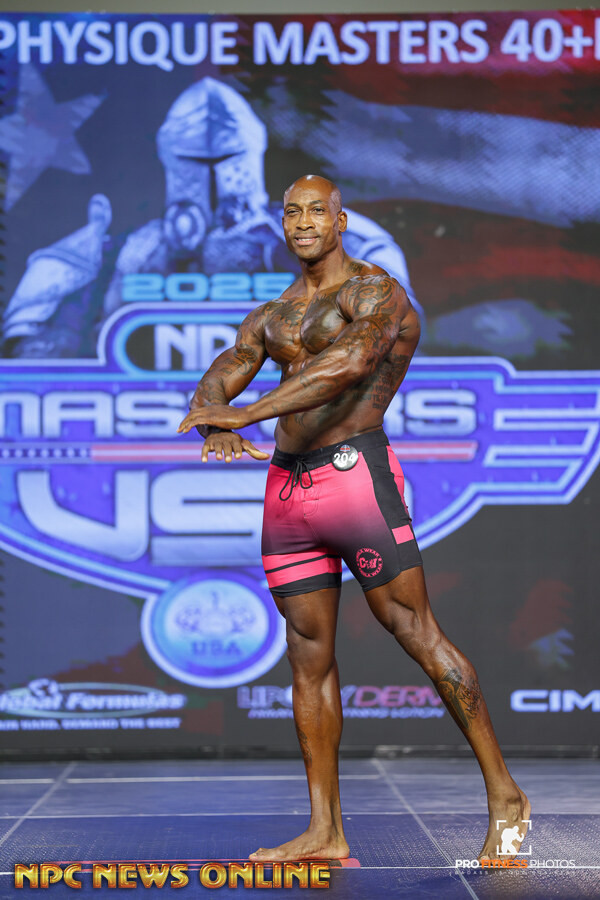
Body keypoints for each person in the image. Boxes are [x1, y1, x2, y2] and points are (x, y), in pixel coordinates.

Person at [178, 174, 530, 863]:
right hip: (287, 491)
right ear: (282, 223)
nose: (304, 222)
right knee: (306, 658)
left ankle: (506, 795)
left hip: (355, 478)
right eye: (293, 212)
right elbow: (227, 368)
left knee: (416, 632)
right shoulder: (273, 314)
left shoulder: (375, 293)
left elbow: (351, 362)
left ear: (340, 220)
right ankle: (325, 830)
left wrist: (245, 414)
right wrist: (212, 419)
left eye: (318, 211)